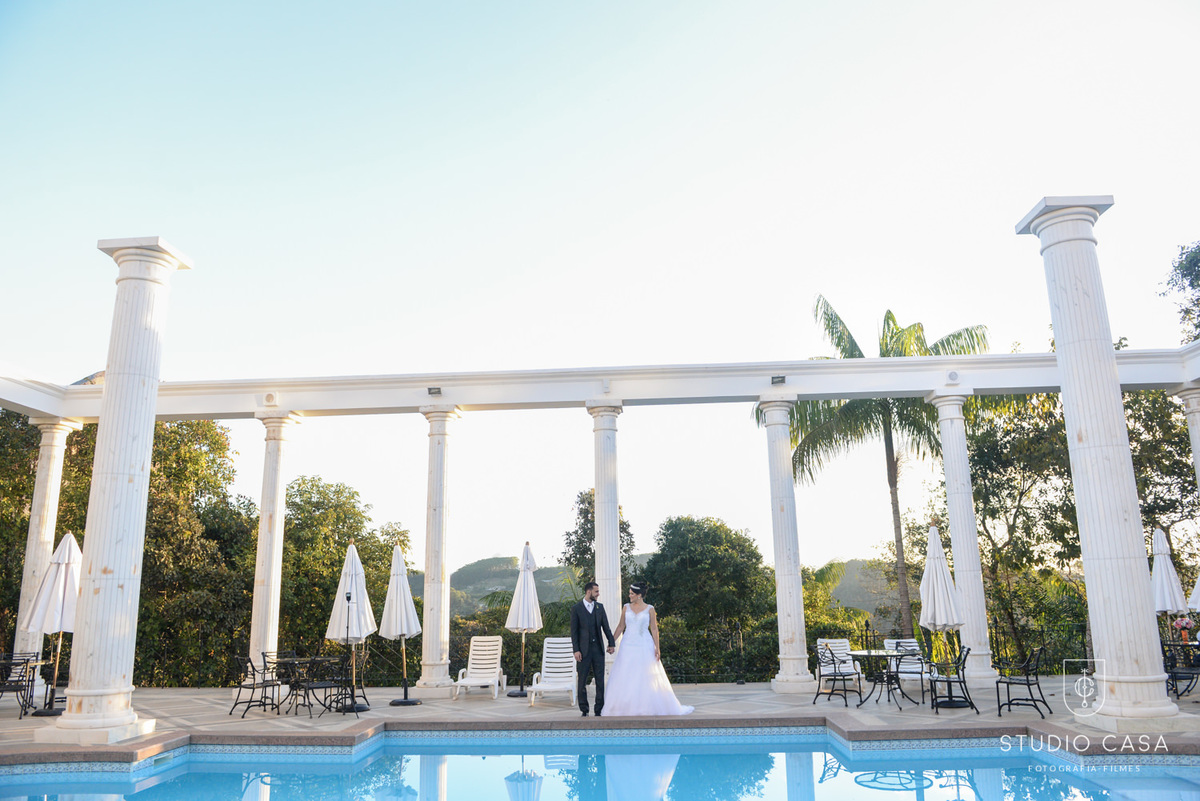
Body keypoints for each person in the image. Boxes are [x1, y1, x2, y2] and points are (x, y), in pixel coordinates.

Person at [602, 582, 694, 716]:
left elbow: (654, 629)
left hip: (644, 643)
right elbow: (621, 626)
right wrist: (612, 642)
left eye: (632, 594)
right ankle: (623, 707)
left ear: (639, 595)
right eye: (630, 593)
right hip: (628, 644)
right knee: (626, 674)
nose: (629, 596)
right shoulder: (626, 607)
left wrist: (657, 647)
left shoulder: (650, 609)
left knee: (645, 674)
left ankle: (646, 706)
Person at [570, 580, 616, 717]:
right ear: (588, 591)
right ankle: (584, 709)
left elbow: (606, 627)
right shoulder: (576, 608)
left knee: (600, 681)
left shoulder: (599, 608)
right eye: (596, 591)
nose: (598, 594)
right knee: (582, 681)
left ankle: (599, 709)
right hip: (583, 651)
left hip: (598, 650)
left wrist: (611, 643)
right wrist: (576, 650)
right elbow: (574, 632)